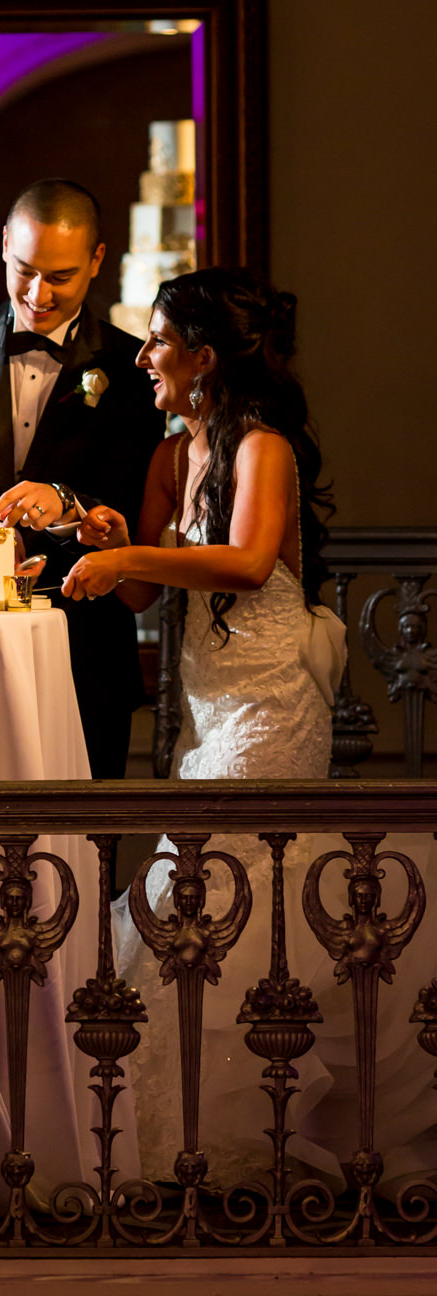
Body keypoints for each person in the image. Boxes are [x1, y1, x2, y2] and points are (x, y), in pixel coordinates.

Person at [62, 266, 437, 1192]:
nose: (143, 357)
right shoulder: (173, 450)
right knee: (203, 896)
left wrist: (129, 557)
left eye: (156, 342)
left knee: (233, 889)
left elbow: (246, 561)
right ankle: (192, 1118)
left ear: (203, 356)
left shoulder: (263, 446)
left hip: (268, 706)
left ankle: (231, 1129)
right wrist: (100, 533)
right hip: (208, 711)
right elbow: (150, 587)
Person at [0, 178, 165, 777]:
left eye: (61, 276)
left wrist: (68, 502)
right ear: (2, 244)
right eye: (25, 269)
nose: (38, 293)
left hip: (89, 643)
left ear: (98, 260)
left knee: (86, 839)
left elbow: (134, 505)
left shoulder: (130, 371)